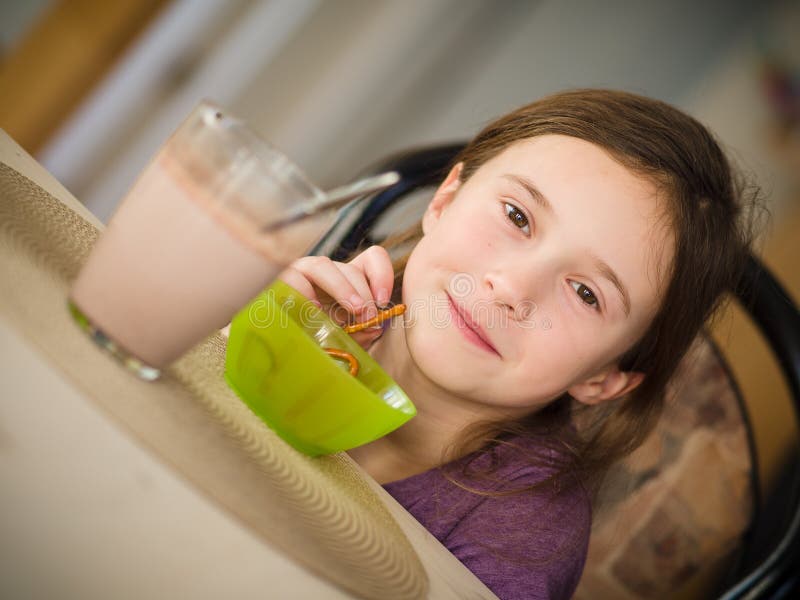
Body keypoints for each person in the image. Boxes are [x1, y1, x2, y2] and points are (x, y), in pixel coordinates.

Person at [279, 89, 757, 599]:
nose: (510, 289)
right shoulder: (297, 307)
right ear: (445, 200)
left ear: (604, 378)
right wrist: (246, 334)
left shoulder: (523, 541)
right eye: (517, 216)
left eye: (584, 293)